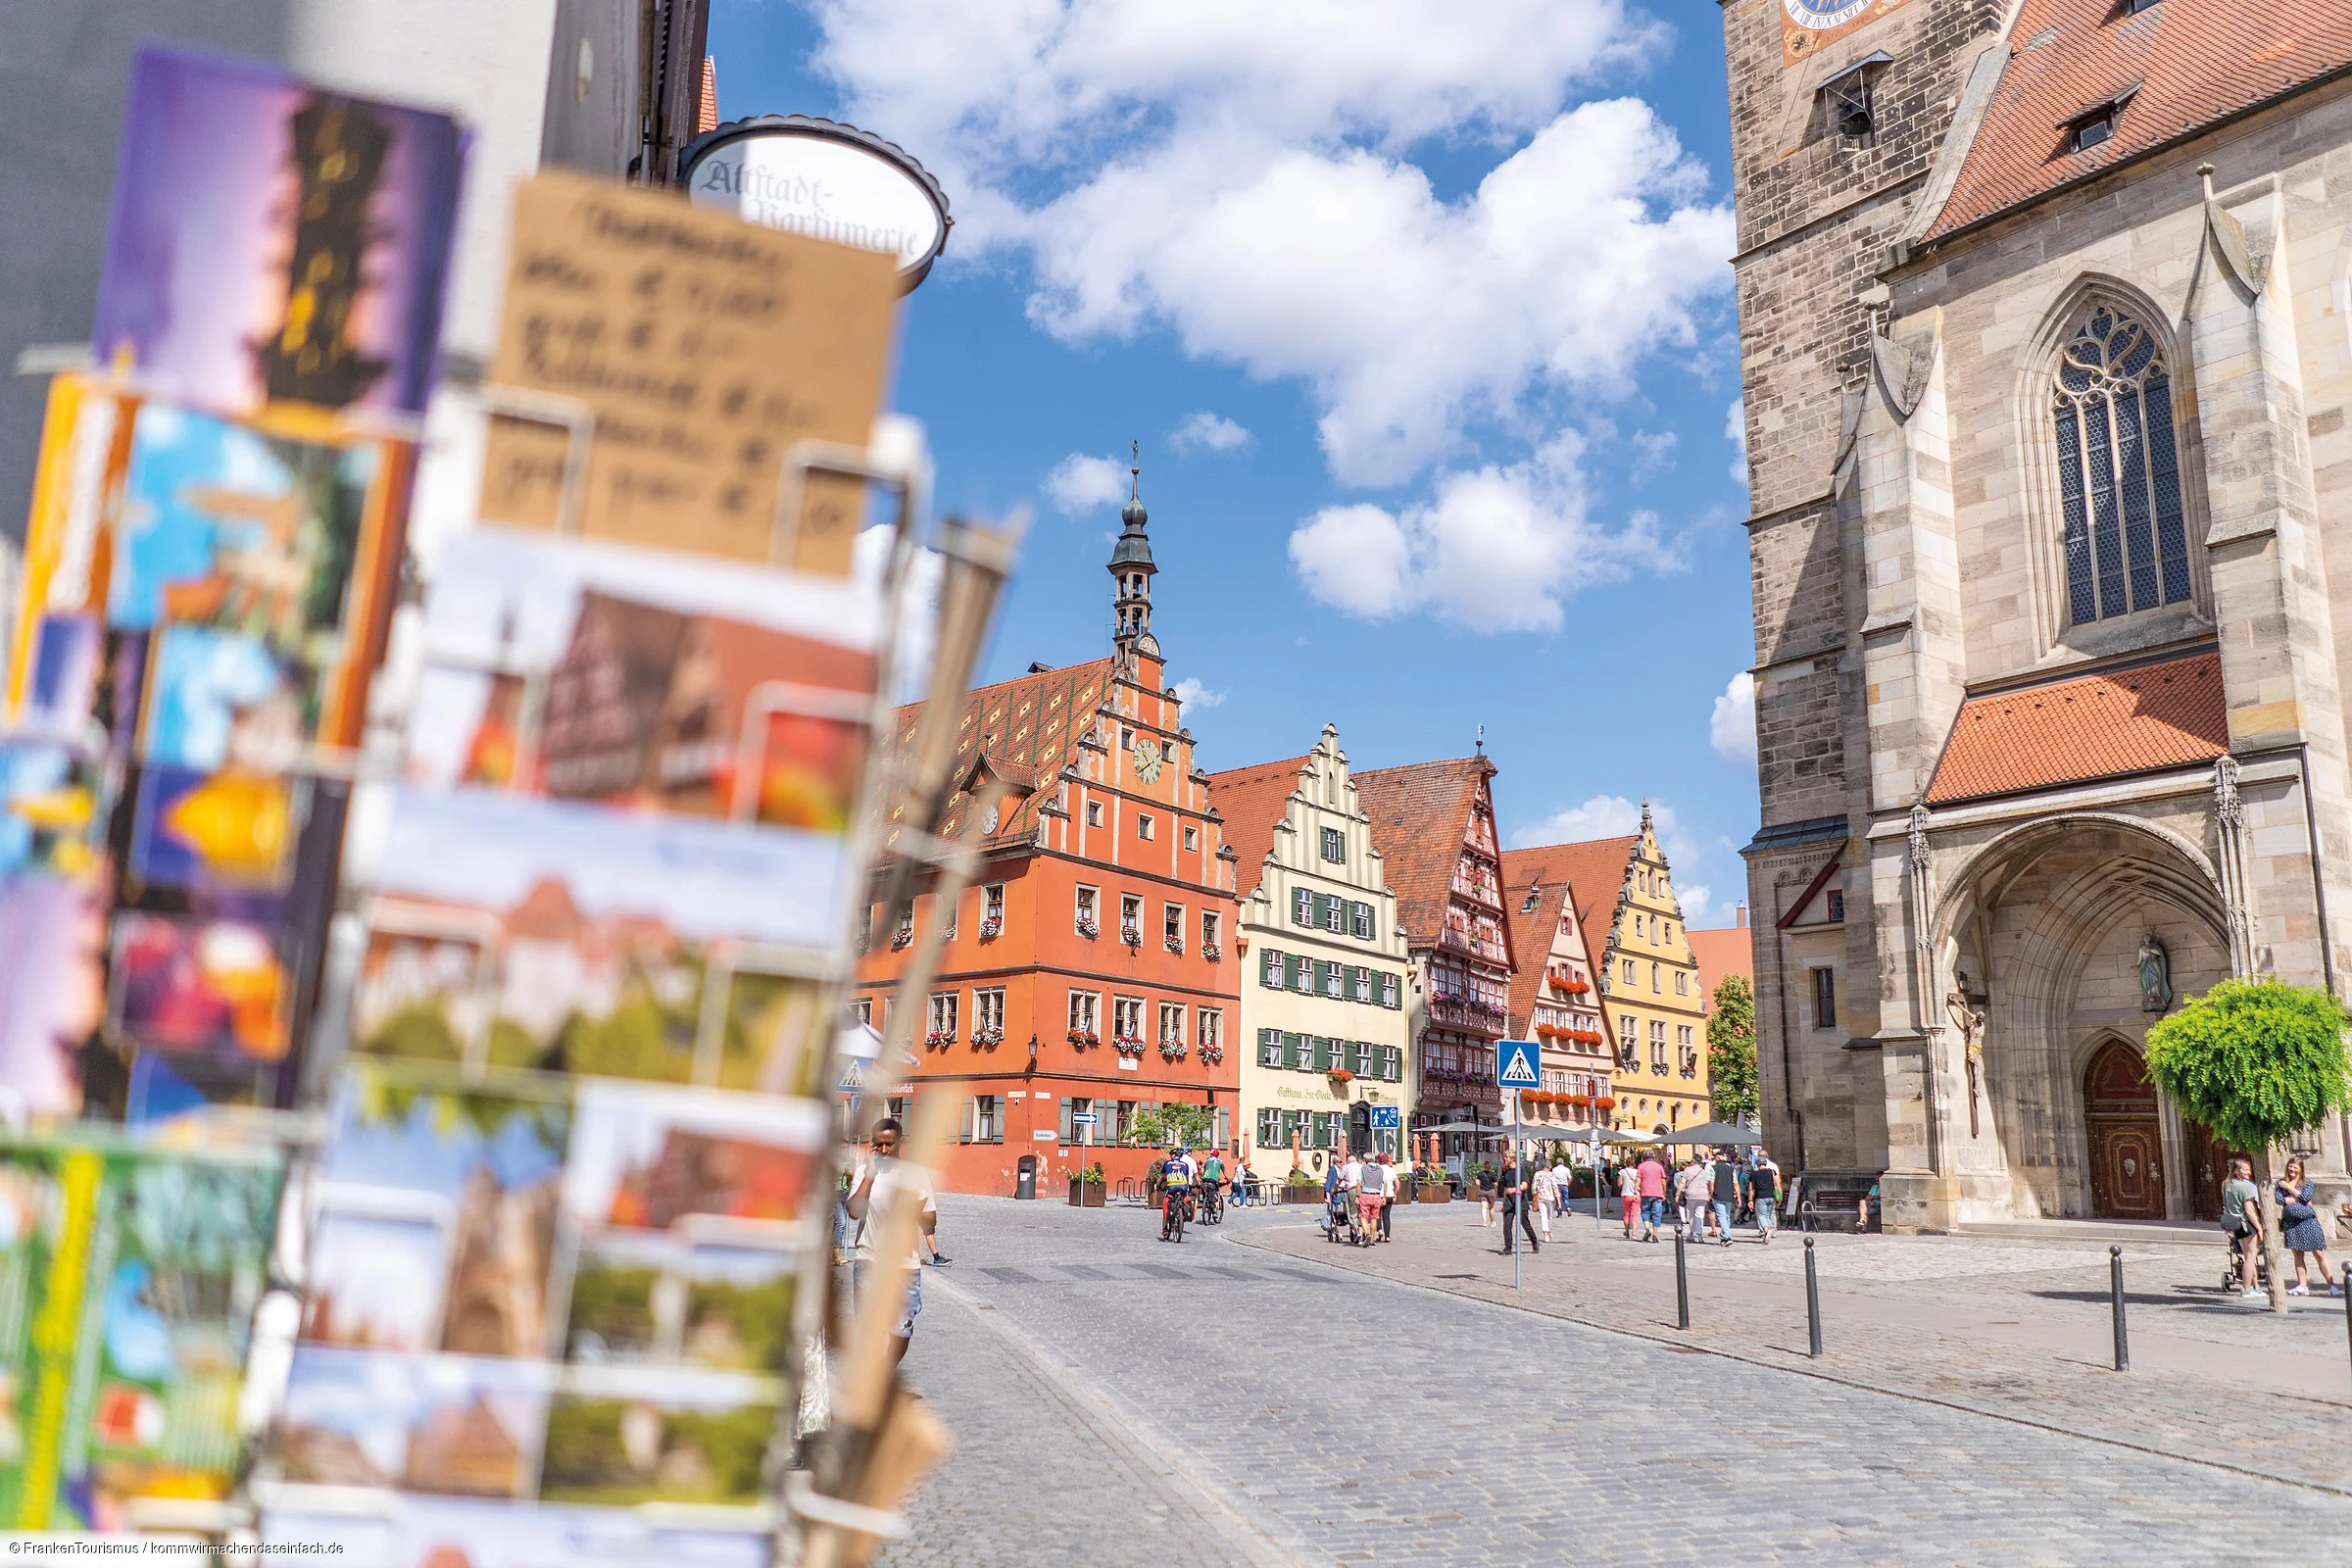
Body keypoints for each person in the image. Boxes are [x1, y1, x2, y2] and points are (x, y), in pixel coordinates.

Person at [846, 1117, 935, 1364]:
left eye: (890, 1144)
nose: (884, 1150)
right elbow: (853, 1211)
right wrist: (871, 1176)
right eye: (879, 1144)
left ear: (901, 1143)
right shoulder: (864, 1173)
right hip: (868, 1261)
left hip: (904, 1266)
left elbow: (930, 1221)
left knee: (901, 1329)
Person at [2277, 1157, 2339, 1297]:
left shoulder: (2307, 1183)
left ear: (2301, 1169)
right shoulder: (2280, 1183)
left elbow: (2306, 1197)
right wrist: (2298, 1197)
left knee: (2319, 1253)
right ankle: (2302, 1285)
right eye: (2290, 1166)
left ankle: (2332, 1285)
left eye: (2295, 1167)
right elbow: (2280, 1199)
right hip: (2292, 1223)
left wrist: (2289, 1188)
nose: (2292, 1170)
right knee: (2298, 1254)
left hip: (2308, 1222)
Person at [2221, 1156, 2262, 1297]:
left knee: (2248, 1256)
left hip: (2235, 1224)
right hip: (2246, 1224)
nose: (2248, 1172)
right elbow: (2249, 1210)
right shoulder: (2244, 1187)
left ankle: (2255, 1286)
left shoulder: (2226, 1184)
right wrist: (2259, 1228)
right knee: (2250, 1258)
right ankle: (2245, 1287)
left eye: (2249, 1169)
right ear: (2237, 1171)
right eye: (2245, 1169)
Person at [1497, 1148, 1539, 1254]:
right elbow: (1506, 1188)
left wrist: (1515, 1189)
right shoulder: (1506, 1171)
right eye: (1504, 1157)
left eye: (1506, 1157)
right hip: (1509, 1202)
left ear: (1512, 1158)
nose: (1504, 1159)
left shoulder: (1521, 1171)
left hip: (1520, 1201)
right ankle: (1508, 1248)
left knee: (1524, 1223)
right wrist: (1503, 1203)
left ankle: (1534, 1242)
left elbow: (1524, 1186)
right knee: (1507, 1224)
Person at [1158, 1148, 1194, 1240]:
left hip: (1171, 1188)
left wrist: (1157, 1185)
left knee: (1166, 1202)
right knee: (1184, 1200)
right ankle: (1182, 1216)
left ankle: (1165, 1227)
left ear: (1173, 1155)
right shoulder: (1185, 1165)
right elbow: (1186, 1177)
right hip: (1183, 1188)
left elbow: (1161, 1176)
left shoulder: (1167, 1163)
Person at [1356, 1149, 1387, 1246]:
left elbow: (1358, 1183)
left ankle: (1366, 1233)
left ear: (1365, 1160)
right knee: (1374, 1218)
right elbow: (1385, 1183)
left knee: (1363, 1216)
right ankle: (1372, 1240)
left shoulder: (1363, 1169)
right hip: (1377, 1195)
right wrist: (1384, 1197)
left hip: (1365, 1194)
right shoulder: (1380, 1170)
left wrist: (1357, 1195)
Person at [1636, 1152, 1667, 1244]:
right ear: (1653, 1156)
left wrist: (1636, 1189)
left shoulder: (1641, 1166)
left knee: (1645, 1211)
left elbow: (1638, 1179)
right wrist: (1664, 1193)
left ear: (1644, 1157)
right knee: (1657, 1214)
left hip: (1646, 1192)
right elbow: (1664, 1182)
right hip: (1657, 1193)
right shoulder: (1659, 1166)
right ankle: (1655, 1235)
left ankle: (1647, 1229)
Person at [1709, 1150, 1739, 1247]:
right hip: (1729, 1195)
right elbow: (1735, 1183)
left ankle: (1726, 1236)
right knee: (1726, 1216)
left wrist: (1711, 1193)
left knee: (1721, 1216)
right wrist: (1738, 1196)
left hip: (1718, 1194)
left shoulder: (1713, 1168)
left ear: (1717, 1158)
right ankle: (1724, 1236)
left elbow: (1711, 1182)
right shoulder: (1731, 1169)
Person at [1751, 1152, 1781, 1244]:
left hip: (1760, 1196)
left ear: (1757, 1164)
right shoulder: (1772, 1171)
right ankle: (1771, 1229)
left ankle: (1767, 1230)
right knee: (1769, 1214)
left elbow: (1751, 1188)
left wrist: (1750, 1200)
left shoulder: (1754, 1174)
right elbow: (1777, 1183)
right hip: (1771, 1196)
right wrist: (1780, 1196)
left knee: (1761, 1215)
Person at [1529, 1160, 1556, 1243]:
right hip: (1550, 1198)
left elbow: (1533, 1186)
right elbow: (1554, 1186)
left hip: (1540, 1197)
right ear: (1549, 1166)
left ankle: (1546, 1233)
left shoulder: (1537, 1174)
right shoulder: (1551, 1174)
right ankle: (1547, 1232)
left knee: (1543, 1216)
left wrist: (1534, 1194)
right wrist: (1558, 1197)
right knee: (1549, 1216)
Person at [1375, 1152, 1397, 1241]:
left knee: (1376, 1214)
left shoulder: (1377, 1169)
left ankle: (1380, 1229)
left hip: (1378, 1194)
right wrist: (1395, 1193)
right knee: (1386, 1215)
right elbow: (1397, 1183)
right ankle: (1387, 1236)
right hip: (1389, 1195)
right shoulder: (1391, 1170)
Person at [1617, 1160, 1641, 1241]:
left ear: (1626, 1164)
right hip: (1636, 1195)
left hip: (1626, 1194)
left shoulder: (1622, 1172)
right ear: (1633, 1164)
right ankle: (1634, 1233)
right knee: (1635, 1214)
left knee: (1626, 1214)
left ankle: (1627, 1232)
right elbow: (1640, 1183)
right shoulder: (1638, 1172)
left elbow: (1619, 1184)